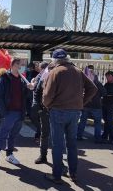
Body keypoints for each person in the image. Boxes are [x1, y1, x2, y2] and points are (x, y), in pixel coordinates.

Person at [43, 49, 97, 184]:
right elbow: (93, 88)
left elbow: (47, 96)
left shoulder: (54, 72)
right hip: (75, 112)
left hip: (58, 111)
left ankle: (57, 175)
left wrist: (47, 105)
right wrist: (81, 102)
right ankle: (73, 174)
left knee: (57, 145)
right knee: (72, 144)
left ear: (55, 60)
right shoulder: (77, 71)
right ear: (67, 58)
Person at [0, 58, 30, 171]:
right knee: (2, 135)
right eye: (18, 64)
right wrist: (5, 112)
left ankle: (9, 155)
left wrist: (29, 89)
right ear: (12, 65)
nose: (20, 67)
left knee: (13, 135)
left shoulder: (22, 79)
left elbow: (24, 96)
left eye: (21, 65)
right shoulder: (5, 78)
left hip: (19, 112)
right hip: (9, 112)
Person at [77, 65, 107, 143]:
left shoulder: (84, 83)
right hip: (96, 106)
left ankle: (79, 136)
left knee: (82, 121)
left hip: (86, 104)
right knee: (97, 123)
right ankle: (97, 138)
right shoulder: (98, 83)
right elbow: (104, 93)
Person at [30, 62, 49, 141]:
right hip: (39, 101)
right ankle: (39, 134)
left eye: (40, 69)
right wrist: (33, 82)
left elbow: (37, 88)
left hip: (40, 101)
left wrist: (33, 84)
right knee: (39, 119)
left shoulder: (46, 76)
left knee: (36, 117)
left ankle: (41, 133)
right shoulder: (39, 75)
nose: (39, 70)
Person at [101, 71, 113, 144]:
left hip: (111, 105)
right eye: (106, 77)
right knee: (106, 121)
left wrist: (105, 93)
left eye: (108, 76)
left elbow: (109, 93)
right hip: (105, 104)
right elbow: (104, 92)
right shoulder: (106, 84)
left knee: (110, 121)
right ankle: (105, 135)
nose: (107, 78)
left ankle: (112, 138)